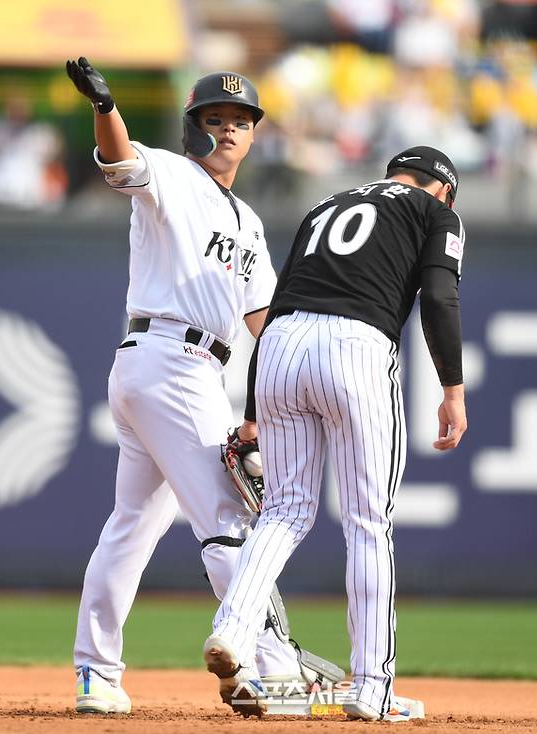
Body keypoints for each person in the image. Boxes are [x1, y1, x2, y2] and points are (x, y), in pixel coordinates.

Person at [64, 57, 339, 715]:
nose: (228, 129)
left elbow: (265, 321)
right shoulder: (171, 175)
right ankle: (264, 667)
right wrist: (105, 108)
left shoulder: (247, 223)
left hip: (172, 371)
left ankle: (95, 674)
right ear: (195, 128)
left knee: (131, 525)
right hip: (170, 364)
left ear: (254, 134)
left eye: (240, 120)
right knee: (228, 520)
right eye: (214, 118)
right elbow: (120, 160)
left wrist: (285, 387)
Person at [203, 146, 468, 722]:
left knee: (283, 511)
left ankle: (232, 630)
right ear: (443, 188)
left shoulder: (329, 202)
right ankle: (372, 689)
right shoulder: (434, 211)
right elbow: (441, 298)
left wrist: (252, 409)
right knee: (368, 521)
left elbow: (273, 312)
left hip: (280, 348)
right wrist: (452, 389)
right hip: (355, 345)